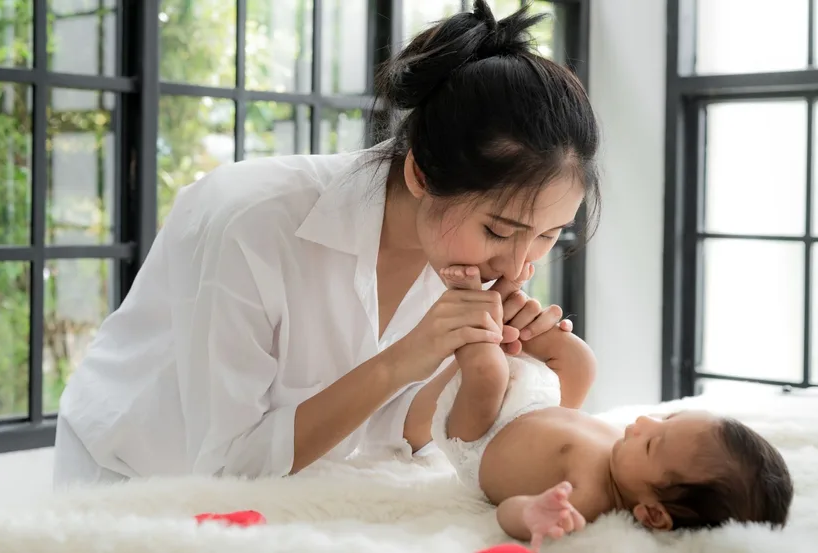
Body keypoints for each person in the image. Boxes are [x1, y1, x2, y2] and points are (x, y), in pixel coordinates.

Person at [52, 0, 601, 487]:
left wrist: (482, 360)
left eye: (549, 236)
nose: (519, 267)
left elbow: (400, 433)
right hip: (132, 483)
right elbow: (224, 468)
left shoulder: (454, 256)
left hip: (294, 491)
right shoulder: (249, 222)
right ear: (421, 176)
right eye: (500, 232)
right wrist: (403, 359)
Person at [427, 275, 793, 551]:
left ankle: (472, 302)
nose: (642, 424)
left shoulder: (588, 499)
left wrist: (534, 513)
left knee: (490, 374)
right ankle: (511, 308)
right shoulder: (627, 457)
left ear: (653, 514)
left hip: (481, 436)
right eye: (664, 420)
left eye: (652, 444)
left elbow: (507, 513)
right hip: (532, 405)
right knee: (582, 363)